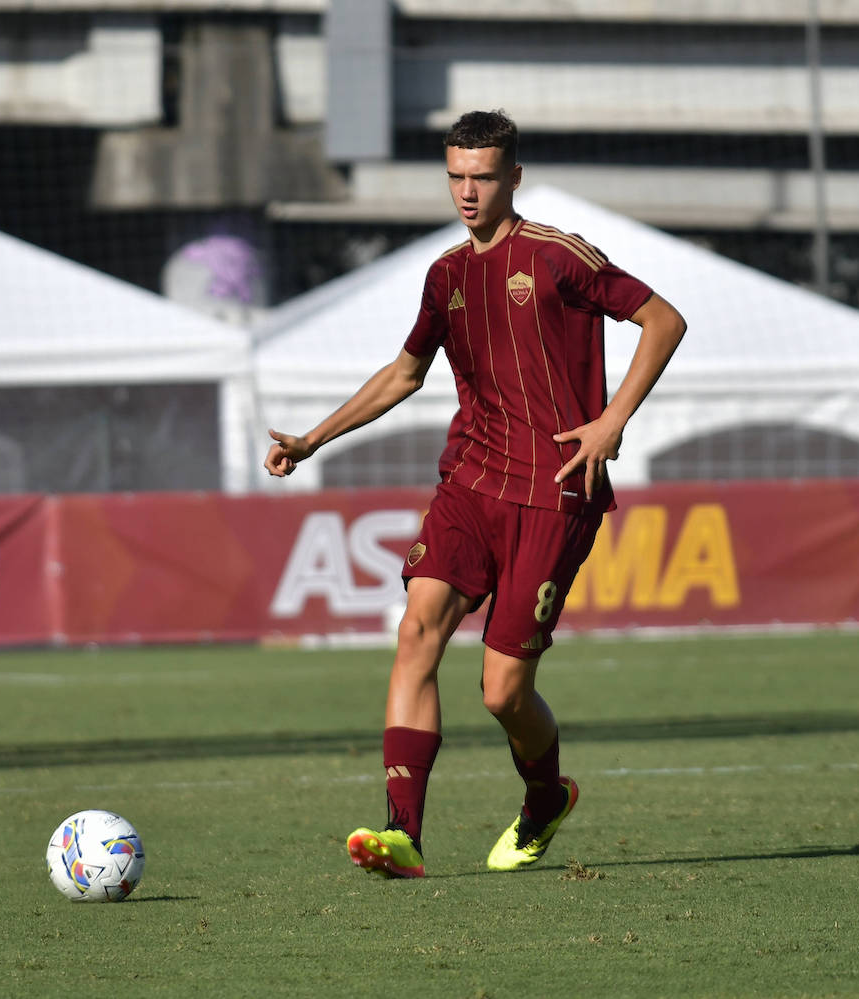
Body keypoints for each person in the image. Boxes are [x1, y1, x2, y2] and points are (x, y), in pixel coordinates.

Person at [264, 109, 686, 878]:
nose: (466, 191)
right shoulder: (445, 276)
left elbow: (663, 320)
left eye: (482, 177)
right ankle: (403, 834)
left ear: (513, 177)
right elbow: (403, 373)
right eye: (456, 176)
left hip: (554, 493)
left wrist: (610, 421)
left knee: (502, 691)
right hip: (470, 480)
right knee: (417, 628)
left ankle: (544, 797)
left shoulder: (558, 256)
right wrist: (312, 439)